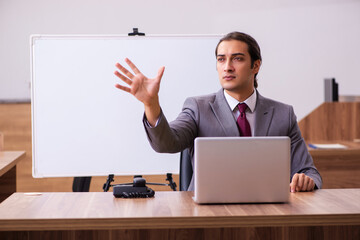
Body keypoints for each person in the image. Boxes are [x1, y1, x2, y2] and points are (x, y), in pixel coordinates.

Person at [114, 31, 322, 192]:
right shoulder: (198, 107)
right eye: (221, 59)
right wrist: (151, 104)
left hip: (268, 210)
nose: (227, 67)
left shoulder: (282, 113)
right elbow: (167, 142)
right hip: (208, 212)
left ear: (255, 65)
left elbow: (308, 171)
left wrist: (307, 180)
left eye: (237, 59)